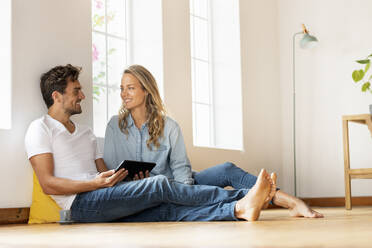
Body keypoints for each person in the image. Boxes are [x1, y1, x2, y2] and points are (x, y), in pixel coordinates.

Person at [25, 64, 280, 223]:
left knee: (166, 210)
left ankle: (237, 210)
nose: (82, 95)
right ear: (57, 96)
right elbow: (48, 184)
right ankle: (245, 198)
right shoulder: (40, 129)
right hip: (80, 205)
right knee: (158, 184)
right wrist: (95, 183)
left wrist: (120, 179)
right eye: (76, 90)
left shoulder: (85, 132)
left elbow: (106, 171)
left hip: (104, 195)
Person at [103, 64, 323, 218]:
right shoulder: (115, 126)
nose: (124, 94)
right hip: (146, 194)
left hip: (178, 185)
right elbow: (112, 172)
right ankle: (269, 198)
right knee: (212, 195)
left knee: (226, 169)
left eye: (130, 88)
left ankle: (288, 200)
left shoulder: (169, 126)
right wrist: (136, 184)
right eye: (122, 88)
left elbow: (181, 170)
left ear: (146, 91)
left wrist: (185, 194)